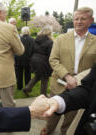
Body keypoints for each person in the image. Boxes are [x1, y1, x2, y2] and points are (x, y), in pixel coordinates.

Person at [41, 7, 96, 135]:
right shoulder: (61, 39)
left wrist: (77, 80)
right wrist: (67, 76)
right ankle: (46, 132)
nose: (79, 21)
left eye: (83, 18)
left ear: (91, 20)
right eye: (76, 19)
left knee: (70, 122)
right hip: (59, 85)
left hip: (80, 88)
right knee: (51, 117)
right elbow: (53, 60)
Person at [42, 62, 96, 135]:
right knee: (51, 119)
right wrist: (59, 100)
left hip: (76, 93)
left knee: (69, 122)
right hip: (64, 87)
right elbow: (89, 87)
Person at [23, 25, 53, 96]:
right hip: (43, 62)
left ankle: (27, 88)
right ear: (49, 32)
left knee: (37, 76)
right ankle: (43, 95)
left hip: (35, 60)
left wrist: (30, 60)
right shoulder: (49, 42)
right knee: (45, 79)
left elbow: (31, 50)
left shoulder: (36, 39)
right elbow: (50, 54)